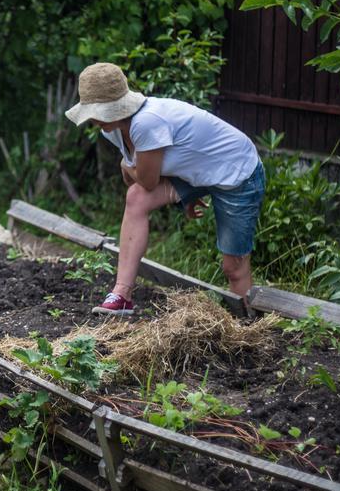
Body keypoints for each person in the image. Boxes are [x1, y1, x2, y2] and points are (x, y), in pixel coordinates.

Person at [64, 62, 265, 315]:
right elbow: (136, 181)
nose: (93, 118)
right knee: (136, 198)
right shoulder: (113, 131)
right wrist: (187, 192)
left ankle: (247, 322)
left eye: (98, 111)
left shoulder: (146, 123)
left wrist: (126, 165)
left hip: (237, 173)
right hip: (201, 171)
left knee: (233, 267)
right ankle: (121, 294)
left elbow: (145, 179)